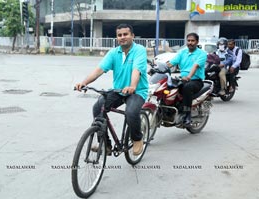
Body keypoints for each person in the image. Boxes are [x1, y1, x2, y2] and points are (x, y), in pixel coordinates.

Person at [75, 24, 149, 156]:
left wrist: (132, 86)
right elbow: (99, 70)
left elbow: (136, 70)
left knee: (131, 112)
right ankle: (105, 144)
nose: (122, 37)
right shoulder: (114, 53)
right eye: (119, 35)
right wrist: (84, 82)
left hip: (137, 91)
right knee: (98, 107)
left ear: (132, 35)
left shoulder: (139, 50)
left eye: (125, 34)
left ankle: (137, 139)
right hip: (118, 90)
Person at [166, 33, 207, 127]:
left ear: (197, 42)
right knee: (169, 86)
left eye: (193, 41)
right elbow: (171, 63)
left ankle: (187, 114)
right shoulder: (182, 52)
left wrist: (189, 77)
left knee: (187, 87)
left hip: (196, 81)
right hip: (183, 79)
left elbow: (195, 66)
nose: (190, 43)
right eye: (188, 40)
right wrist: (160, 68)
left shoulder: (202, 53)